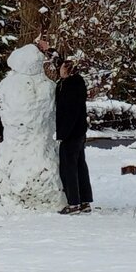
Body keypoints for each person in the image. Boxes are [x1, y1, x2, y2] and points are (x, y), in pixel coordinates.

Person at [55, 58, 93, 214]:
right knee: (80, 165)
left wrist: (63, 133)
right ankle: (85, 201)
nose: (59, 71)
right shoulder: (78, 83)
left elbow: (69, 112)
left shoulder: (70, 86)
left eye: (62, 69)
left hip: (70, 133)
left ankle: (74, 203)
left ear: (67, 70)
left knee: (68, 167)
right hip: (79, 132)